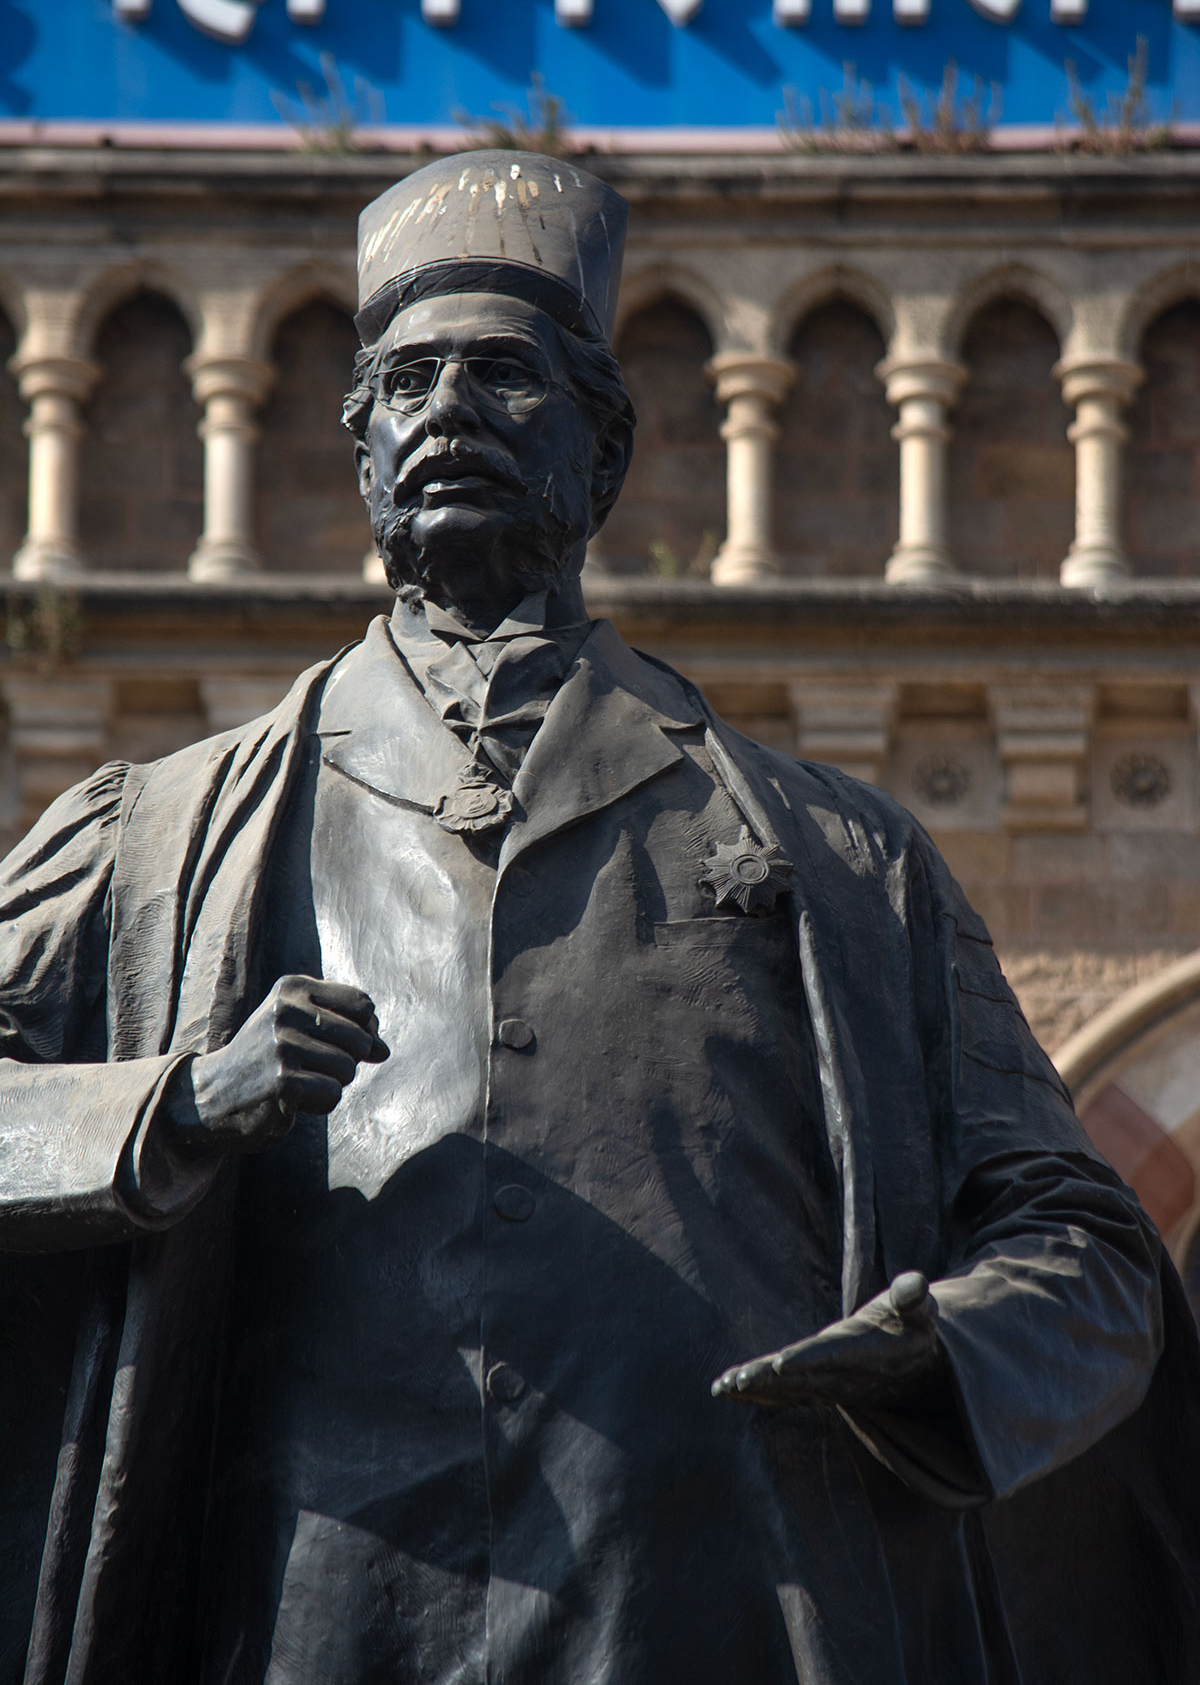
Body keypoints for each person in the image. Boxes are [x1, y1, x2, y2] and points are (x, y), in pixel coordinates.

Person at [0, 151, 1196, 1685]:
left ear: (604, 444)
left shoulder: (847, 863)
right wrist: (168, 1108)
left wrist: (945, 1353)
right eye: (408, 382)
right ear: (360, 450)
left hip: (713, 1615)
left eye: (502, 374)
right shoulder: (158, 841)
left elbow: (1087, 1246)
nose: (449, 410)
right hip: (303, 1622)